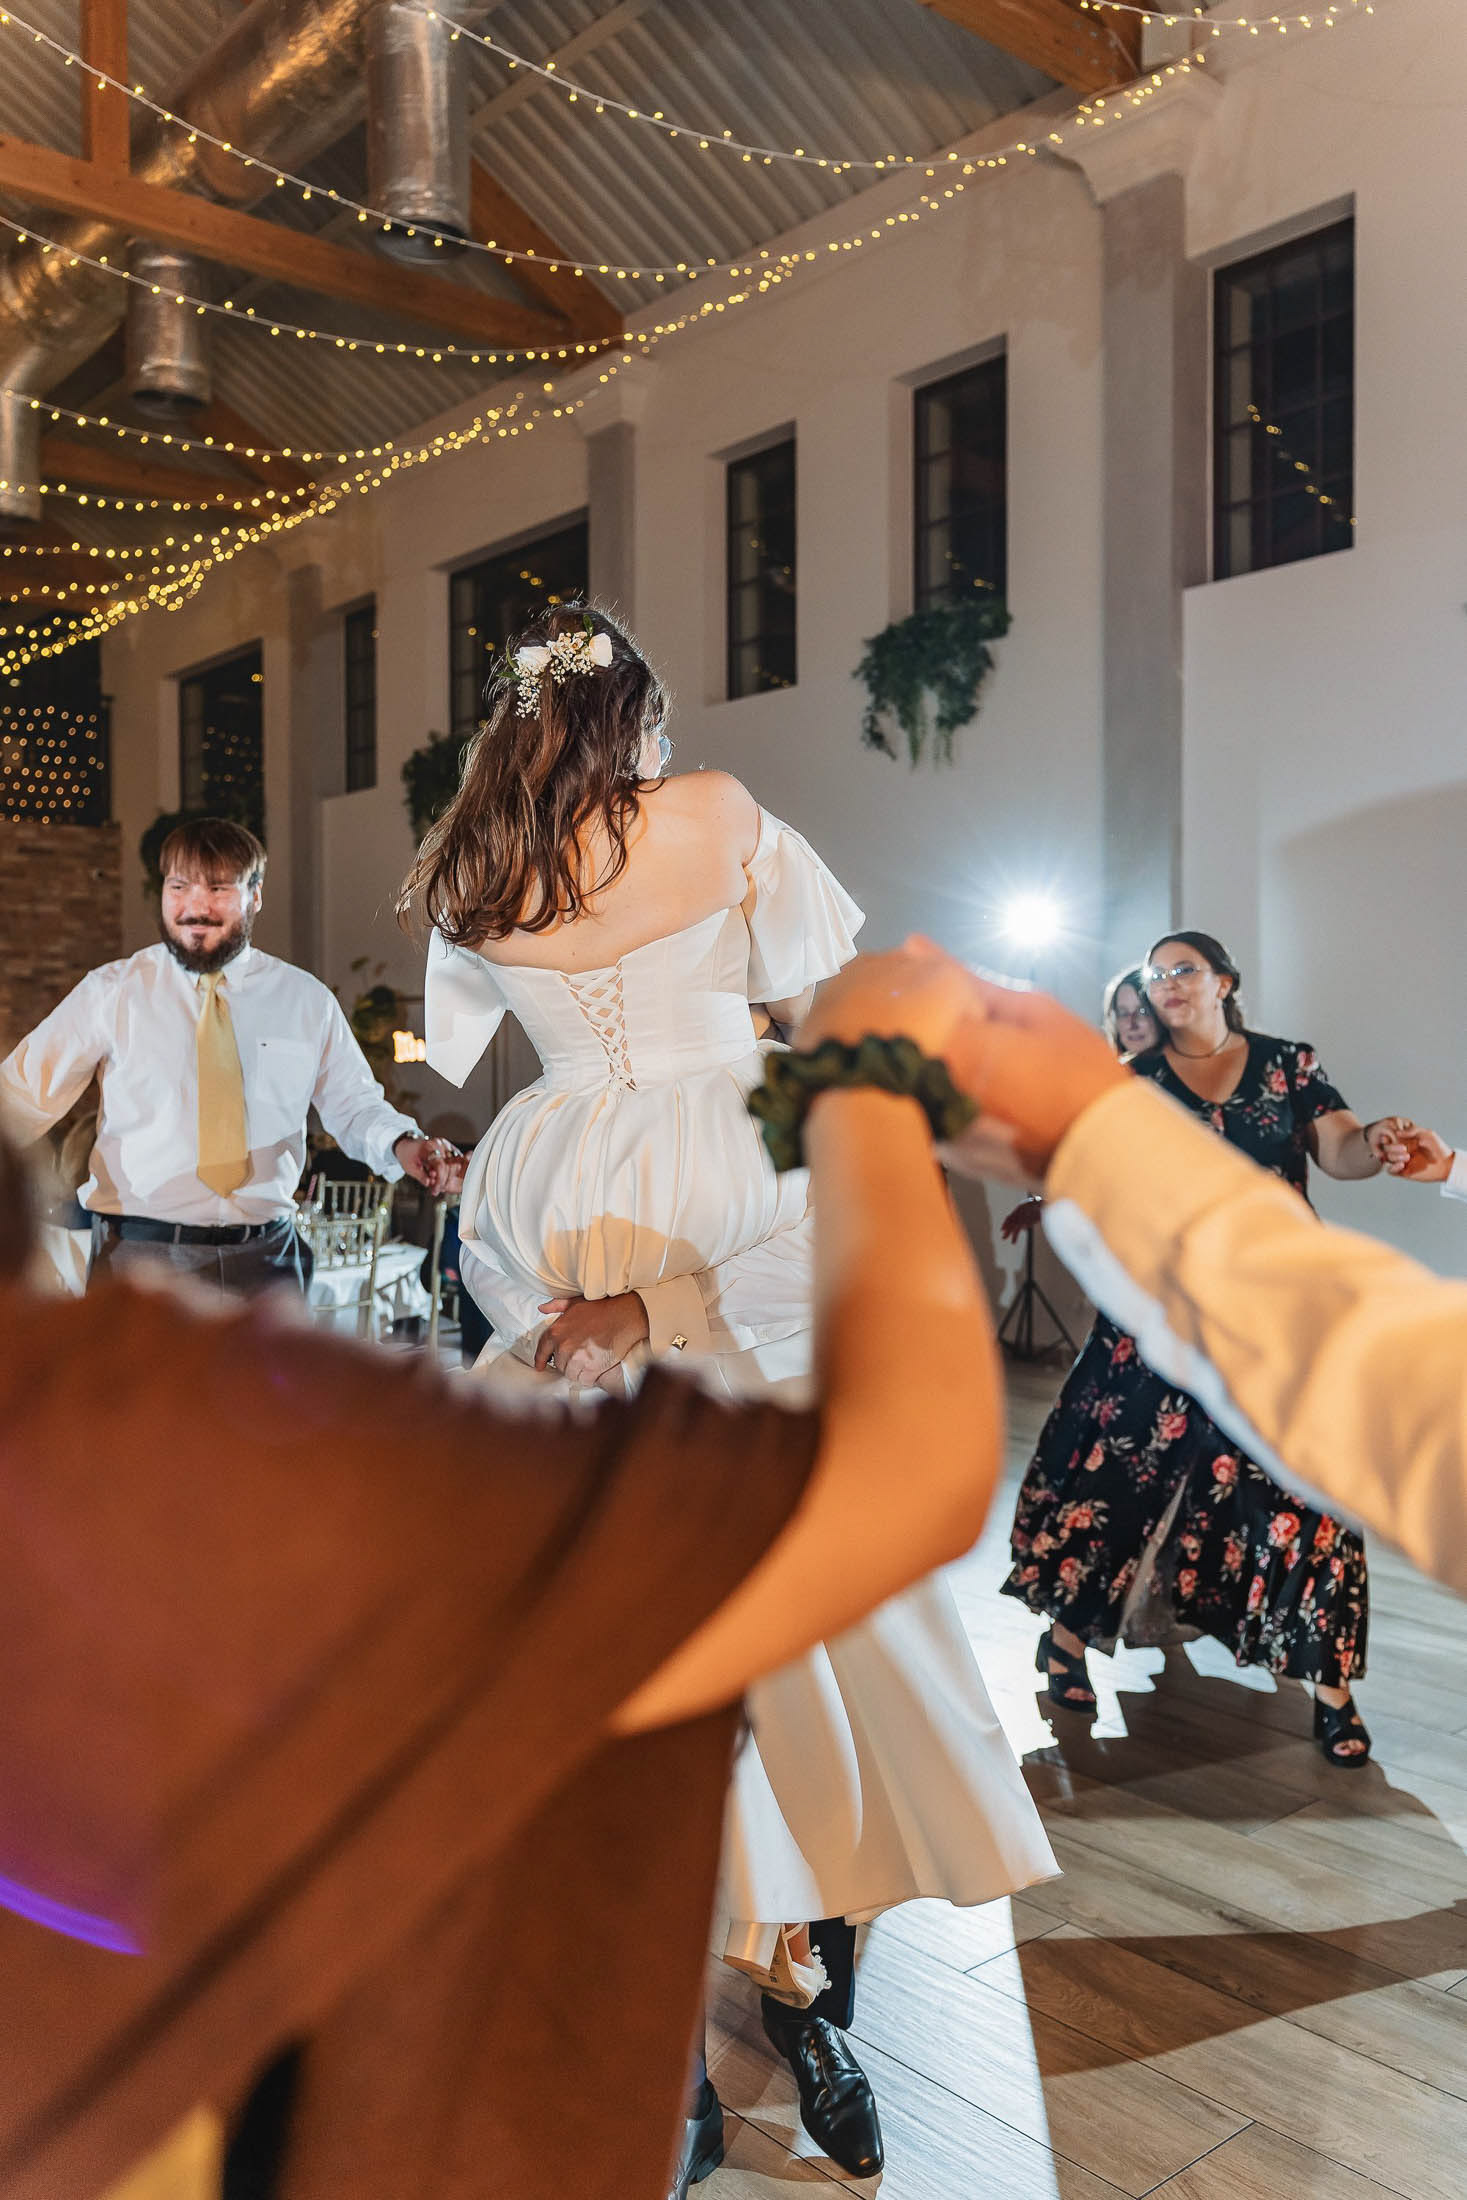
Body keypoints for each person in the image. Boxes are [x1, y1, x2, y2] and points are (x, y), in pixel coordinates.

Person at [0, 943, 1002, 2200]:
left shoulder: (746, 1104)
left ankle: (807, 2018)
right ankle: (680, 2074)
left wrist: (660, 1297)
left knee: (822, 1747)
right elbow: (905, 1469)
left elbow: (361, 1110)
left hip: (722, 1383)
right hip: (607, 1430)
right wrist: (873, 1112)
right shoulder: (258, 1444)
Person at [401, 603, 1055, 2189]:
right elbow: (815, 1007)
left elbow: (495, 1232)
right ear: (633, 711)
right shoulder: (707, 812)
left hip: (559, 1187)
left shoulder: (470, 864)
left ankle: (780, 2018)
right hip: (712, 1184)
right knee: (793, 1675)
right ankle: (708, 2045)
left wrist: (596, 1313)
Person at [1002, 929, 1413, 1768]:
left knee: (1303, 1491)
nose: (1166, 983)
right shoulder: (1130, 1084)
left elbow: (1337, 1150)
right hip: (1160, 1315)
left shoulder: (1287, 1065)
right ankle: (1066, 1641)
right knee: (1116, 1478)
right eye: (1155, 974)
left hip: (1274, 1314)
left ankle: (1330, 1687)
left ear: (1223, 981)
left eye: (1182, 969)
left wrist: (1372, 1140)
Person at [0, 817, 452, 1297]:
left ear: (255, 895)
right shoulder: (111, 992)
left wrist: (405, 1144)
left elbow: (354, 1106)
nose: (196, 907)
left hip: (268, 1261)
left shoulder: (306, 1001)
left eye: (218, 888)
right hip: (138, 1260)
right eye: (179, 887)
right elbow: (20, 1095)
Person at [999, 965, 1161, 1247]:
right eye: (1123, 1013)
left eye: (1143, 1011)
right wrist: (1046, 1202)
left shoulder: (1177, 1081)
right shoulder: (1111, 1080)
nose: (1132, 1022)